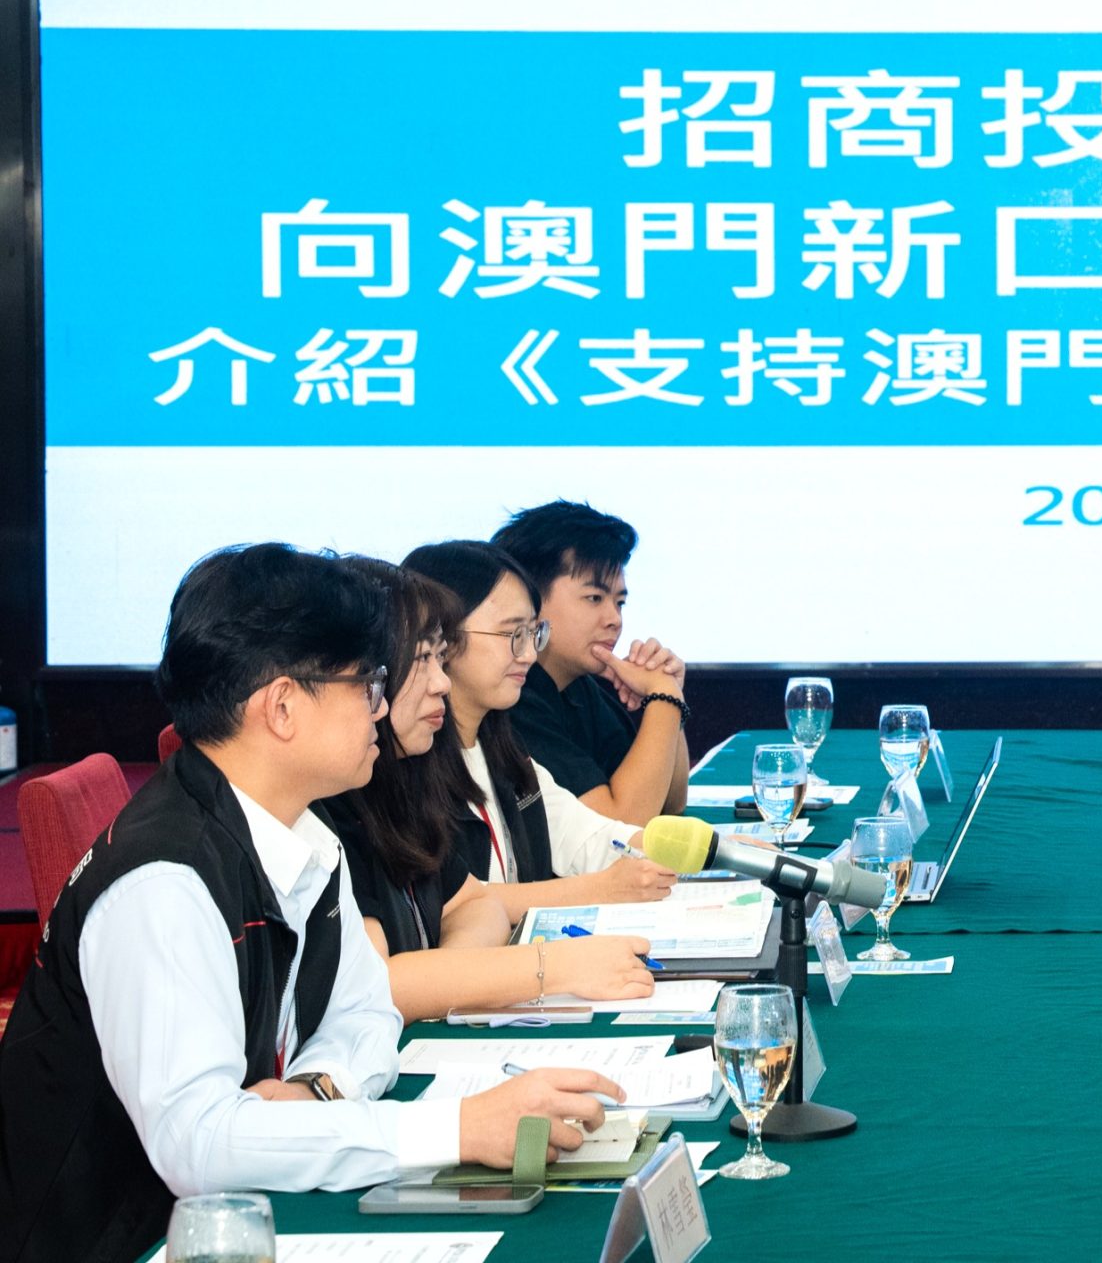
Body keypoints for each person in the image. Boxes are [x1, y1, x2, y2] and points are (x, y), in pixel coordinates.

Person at [0, 545, 623, 1263]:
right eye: (367, 685)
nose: (381, 709)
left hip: (248, 1217)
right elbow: (198, 1144)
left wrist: (317, 1088)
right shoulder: (163, 881)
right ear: (283, 707)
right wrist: (457, 1129)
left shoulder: (301, 833)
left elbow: (369, 1012)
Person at [316, 559, 657, 1023]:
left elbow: (476, 904)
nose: (441, 681)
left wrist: (450, 975)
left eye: (439, 658)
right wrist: (544, 968)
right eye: (424, 659)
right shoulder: (332, 802)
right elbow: (379, 985)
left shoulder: (420, 773)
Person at [401, 541, 677, 919]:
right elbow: (450, 901)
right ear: (442, 639)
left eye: (534, 633)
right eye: (512, 635)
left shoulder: (503, 750)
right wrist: (600, 888)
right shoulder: (404, 765)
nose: (530, 653)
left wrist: (716, 853)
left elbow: (592, 837)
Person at [492, 501, 691, 824]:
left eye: (620, 602)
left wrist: (669, 696)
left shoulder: (580, 689)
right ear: (530, 600)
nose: (614, 619)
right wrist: (664, 697)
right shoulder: (513, 700)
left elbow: (670, 803)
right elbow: (619, 824)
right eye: (594, 598)